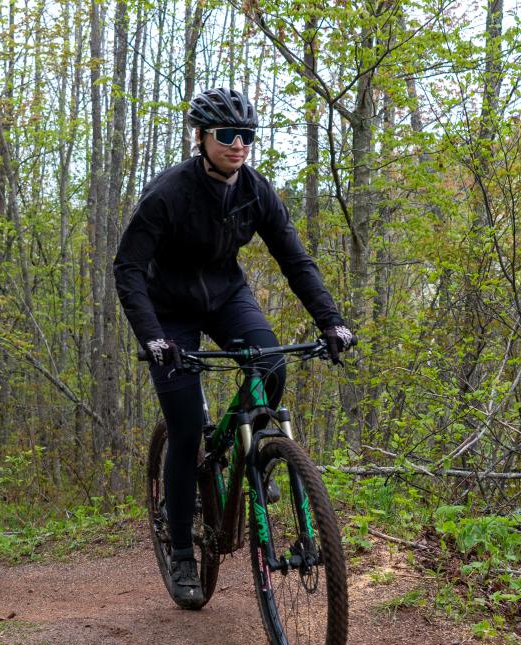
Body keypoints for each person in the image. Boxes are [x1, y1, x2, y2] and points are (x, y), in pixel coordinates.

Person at [113, 87, 354, 604]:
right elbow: (128, 269)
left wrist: (331, 322)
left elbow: (295, 260)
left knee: (270, 366)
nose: (238, 144)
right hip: (169, 309)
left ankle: (249, 455)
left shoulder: (256, 190)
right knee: (182, 427)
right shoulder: (168, 193)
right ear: (201, 138)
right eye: (227, 135)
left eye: (247, 136)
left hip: (226, 295)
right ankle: (181, 553)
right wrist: (152, 336)